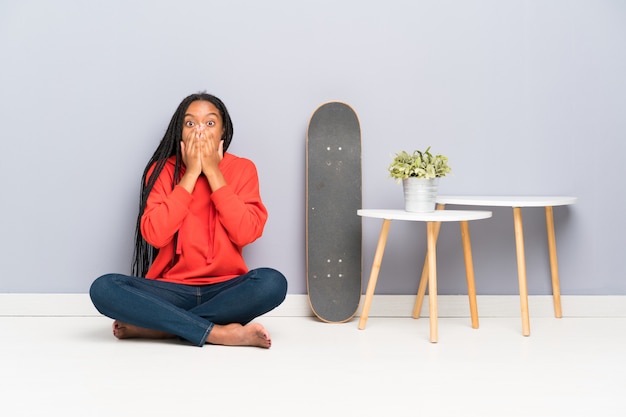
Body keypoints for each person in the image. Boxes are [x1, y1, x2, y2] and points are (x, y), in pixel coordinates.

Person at [89, 92, 287, 348]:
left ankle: (163, 328)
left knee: (273, 283)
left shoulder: (243, 169)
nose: (200, 131)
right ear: (180, 132)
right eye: (190, 123)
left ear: (223, 130)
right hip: (170, 291)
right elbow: (155, 235)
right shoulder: (160, 171)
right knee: (104, 288)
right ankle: (217, 333)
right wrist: (191, 173)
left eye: (210, 123)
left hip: (225, 291)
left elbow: (246, 233)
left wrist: (213, 172)